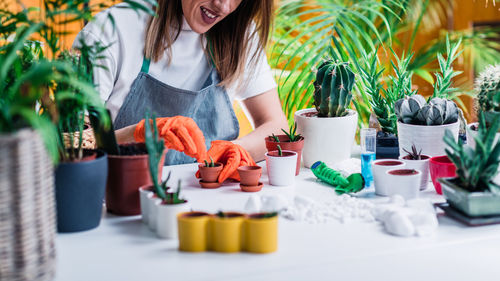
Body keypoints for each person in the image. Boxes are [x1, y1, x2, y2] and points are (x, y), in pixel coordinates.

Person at [75, 0, 288, 182]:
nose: (223, 6)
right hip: (122, 201)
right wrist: (139, 133)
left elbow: (276, 126)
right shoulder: (110, 32)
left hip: (211, 199)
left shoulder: (239, 33)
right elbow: (69, 141)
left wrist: (239, 148)